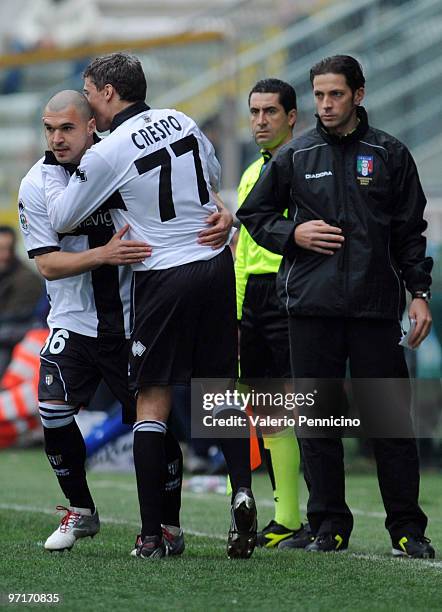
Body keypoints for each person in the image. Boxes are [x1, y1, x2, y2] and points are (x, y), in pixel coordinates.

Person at [41, 53, 257, 560]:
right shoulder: (182, 119)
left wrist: (87, 178)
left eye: (90, 92)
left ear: (110, 94)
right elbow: (211, 174)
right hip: (214, 262)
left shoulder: (109, 149)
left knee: (151, 400)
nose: (89, 104)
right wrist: (219, 216)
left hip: (163, 275)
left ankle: (151, 536)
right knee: (218, 390)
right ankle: (243, 492)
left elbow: (66, 216)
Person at [237, 55, 435, 558]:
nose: (326, 105)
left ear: (359, 95)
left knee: (389, 420)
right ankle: (329, 525)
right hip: (310, 307)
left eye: (336, 95)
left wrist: (418, 295)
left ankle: (407, 529)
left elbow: (411, 233)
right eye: (319, 96)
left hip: (374, 307)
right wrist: (293, 232)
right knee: (317, 421)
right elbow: (254, 214)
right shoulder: (295, 155)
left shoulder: (389, 153)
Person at [235, 78, 310, 549]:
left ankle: (300, 515)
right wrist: (233, 303)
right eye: (255, 112)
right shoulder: (249, 173)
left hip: (289, 291)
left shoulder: (305, 166)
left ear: (291, 117)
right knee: (255, 404)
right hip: (249, 299)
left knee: (297, 403)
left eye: (270, 112)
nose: (261, 121)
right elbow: (241, 247)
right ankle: (265, 510)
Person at [0, 225, 43, 377]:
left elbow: (15, 320)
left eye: (8, 249)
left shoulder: (27, 280)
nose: (4, 255)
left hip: (17, 341)